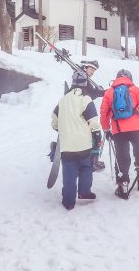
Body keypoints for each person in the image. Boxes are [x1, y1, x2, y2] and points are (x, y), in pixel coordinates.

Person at [100, 69, 139, 199]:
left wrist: (107, 129)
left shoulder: (109, 92)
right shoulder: (134, 89)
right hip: (137, 128)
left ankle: (123, 183)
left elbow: (104, 114)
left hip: (118, 130)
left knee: (122, 156)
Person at [52, 71, 102, 211]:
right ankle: (84, 192)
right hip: (83, 144)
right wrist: (97, 135)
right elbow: (92, 120)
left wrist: (59, 128)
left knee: (69, 173)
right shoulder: (85, 99)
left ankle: (68, 201)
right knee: (86, 168)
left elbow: (54, 119)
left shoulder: (63, 100)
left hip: (67, 146)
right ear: (85, 83)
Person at [80, 60, 107, 171]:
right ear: (85, 68)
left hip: (84, 111)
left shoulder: (84, 80)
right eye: (91, 69)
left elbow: (91, 94)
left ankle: (91, 160)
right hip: (84, 112)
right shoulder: (82, 80)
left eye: (93, 71)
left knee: (93, 136)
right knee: (96, 135)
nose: (92, 72)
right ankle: (92, 162)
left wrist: (101, 92)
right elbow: (88, 94)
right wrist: (98, 92)